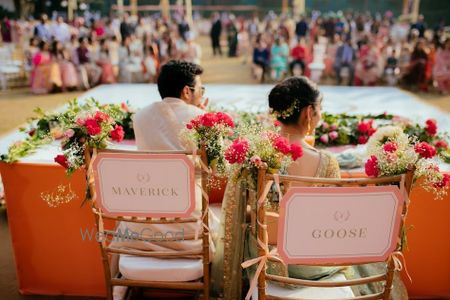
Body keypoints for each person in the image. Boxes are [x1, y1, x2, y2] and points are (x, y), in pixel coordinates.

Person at [111, 60, 215, 269]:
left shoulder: (140, 117)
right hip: (187, 227)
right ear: (187, 91)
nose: (202, 94)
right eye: (200, 89)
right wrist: (202, 115)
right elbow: (210, 170)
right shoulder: (201, 118)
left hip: (140, 223)